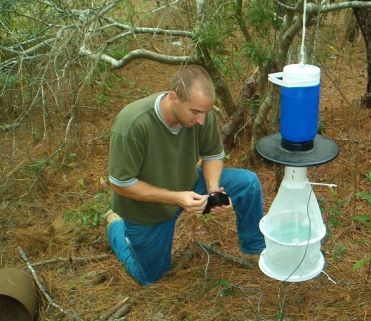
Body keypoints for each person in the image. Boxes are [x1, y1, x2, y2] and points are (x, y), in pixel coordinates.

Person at [105, 65, 265, 286]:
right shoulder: (133, 124)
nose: (201, 120)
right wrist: (177, 198)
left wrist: (212, 190)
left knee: (248, 184)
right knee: (150, 278)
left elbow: (213, 155)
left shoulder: (200, 113)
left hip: (187, 184)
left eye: (205, 113)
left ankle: (254, 249)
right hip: (146, 209)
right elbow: (121, 184)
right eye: (195, 112)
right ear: (173, 98)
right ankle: (116, 228)